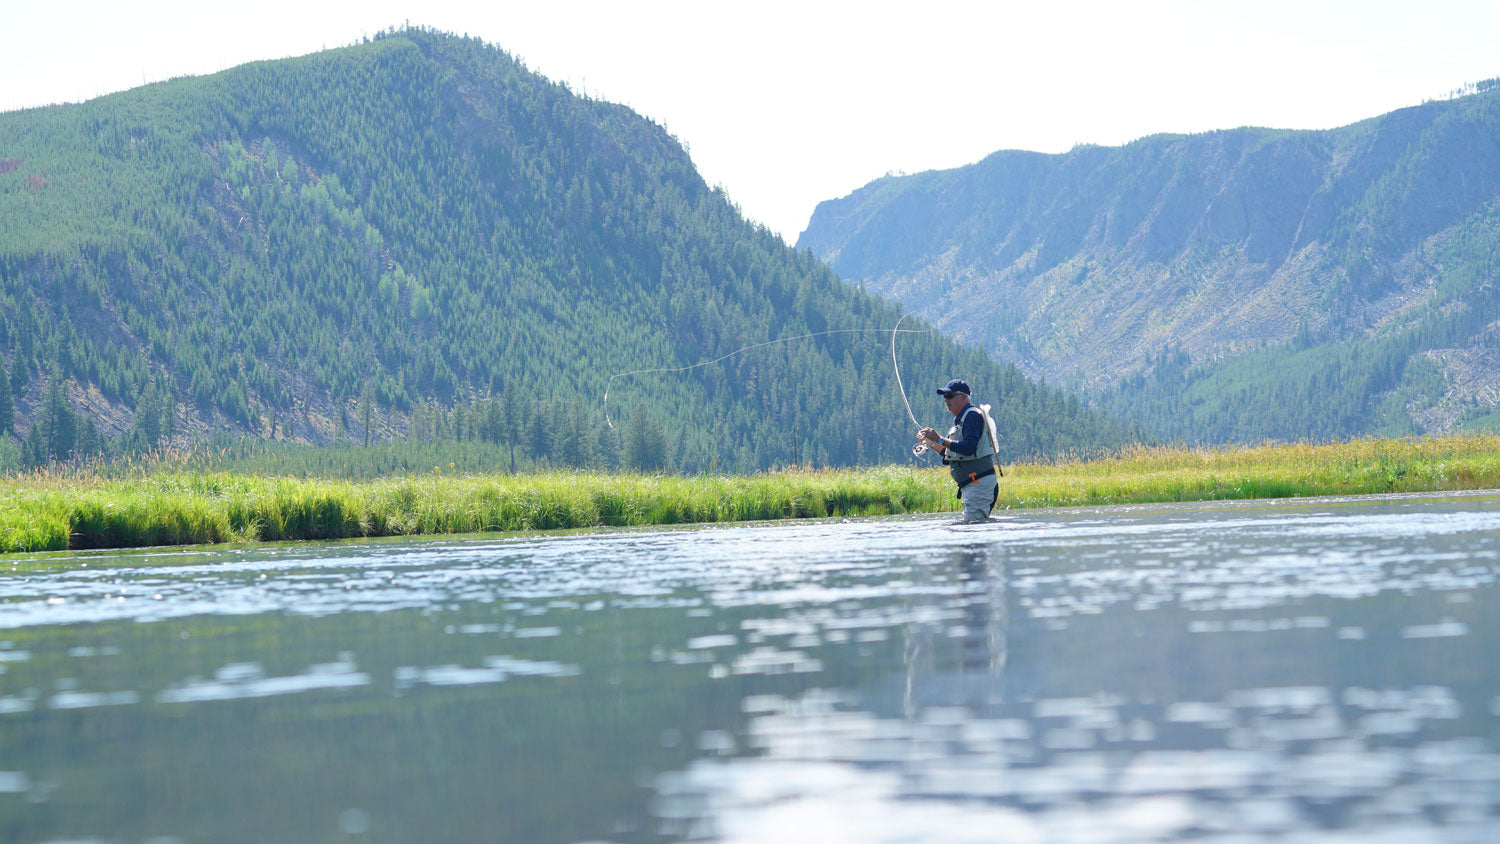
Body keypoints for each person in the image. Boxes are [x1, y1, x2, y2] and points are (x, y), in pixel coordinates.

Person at [919, 379, 999, 524]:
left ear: (963, 397)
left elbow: (968, 448)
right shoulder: (963, 419)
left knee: (973, 530)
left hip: (978, 484)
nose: (946, 400)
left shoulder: (972, 416)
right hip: (973, 485)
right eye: (944, 397)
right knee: (972, 529)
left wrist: (940, 439)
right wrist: (930, 443)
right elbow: (950, 455)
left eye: (949, 396)